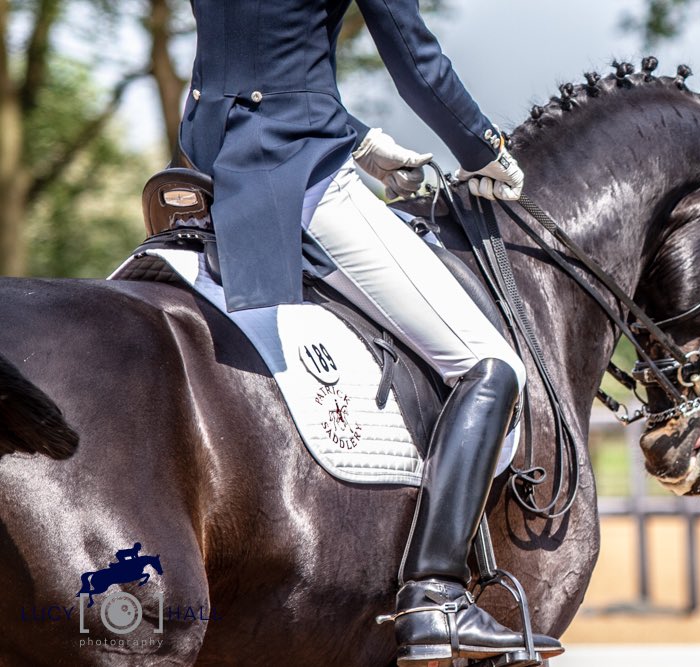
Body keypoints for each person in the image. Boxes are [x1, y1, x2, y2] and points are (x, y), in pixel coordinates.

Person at [177, 1, 561, 663]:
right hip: (301, 172)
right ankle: (436, 593)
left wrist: (356, 137)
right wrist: (484, 149)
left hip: (207, 159)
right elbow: (414, 58)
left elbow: (258, 51)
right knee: (491, 367)